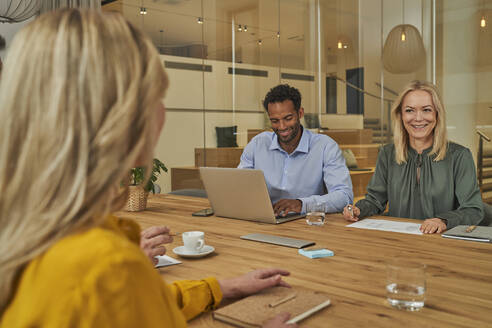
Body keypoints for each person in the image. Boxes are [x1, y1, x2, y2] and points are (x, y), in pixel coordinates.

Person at [0, 9, 296, 328]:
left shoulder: (34, 231)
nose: (163, 113)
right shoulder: (106, 269)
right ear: (119, 121)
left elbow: (132, 307)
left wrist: (223, 287)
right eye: (156, 97)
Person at [342, 80, 484, 233]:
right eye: (409, 110)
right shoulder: (387, 153)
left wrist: (443, 220)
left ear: (437, 114)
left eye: (426, 110)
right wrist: (358, 209)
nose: (418, 118)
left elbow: (473, 210)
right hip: (399, 242)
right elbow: (375, 200)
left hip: (442, 243)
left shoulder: (459, 156)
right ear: (401, 115)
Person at [238, 84, 353, 216]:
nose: (281, 127)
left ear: (300, 113)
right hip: (265, 220)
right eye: (275, 121)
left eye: (288, 119)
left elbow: (344, 197)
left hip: (307, 223)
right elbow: (240, 186)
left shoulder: (325, 146)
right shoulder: (257, 144)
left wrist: (301, 204)